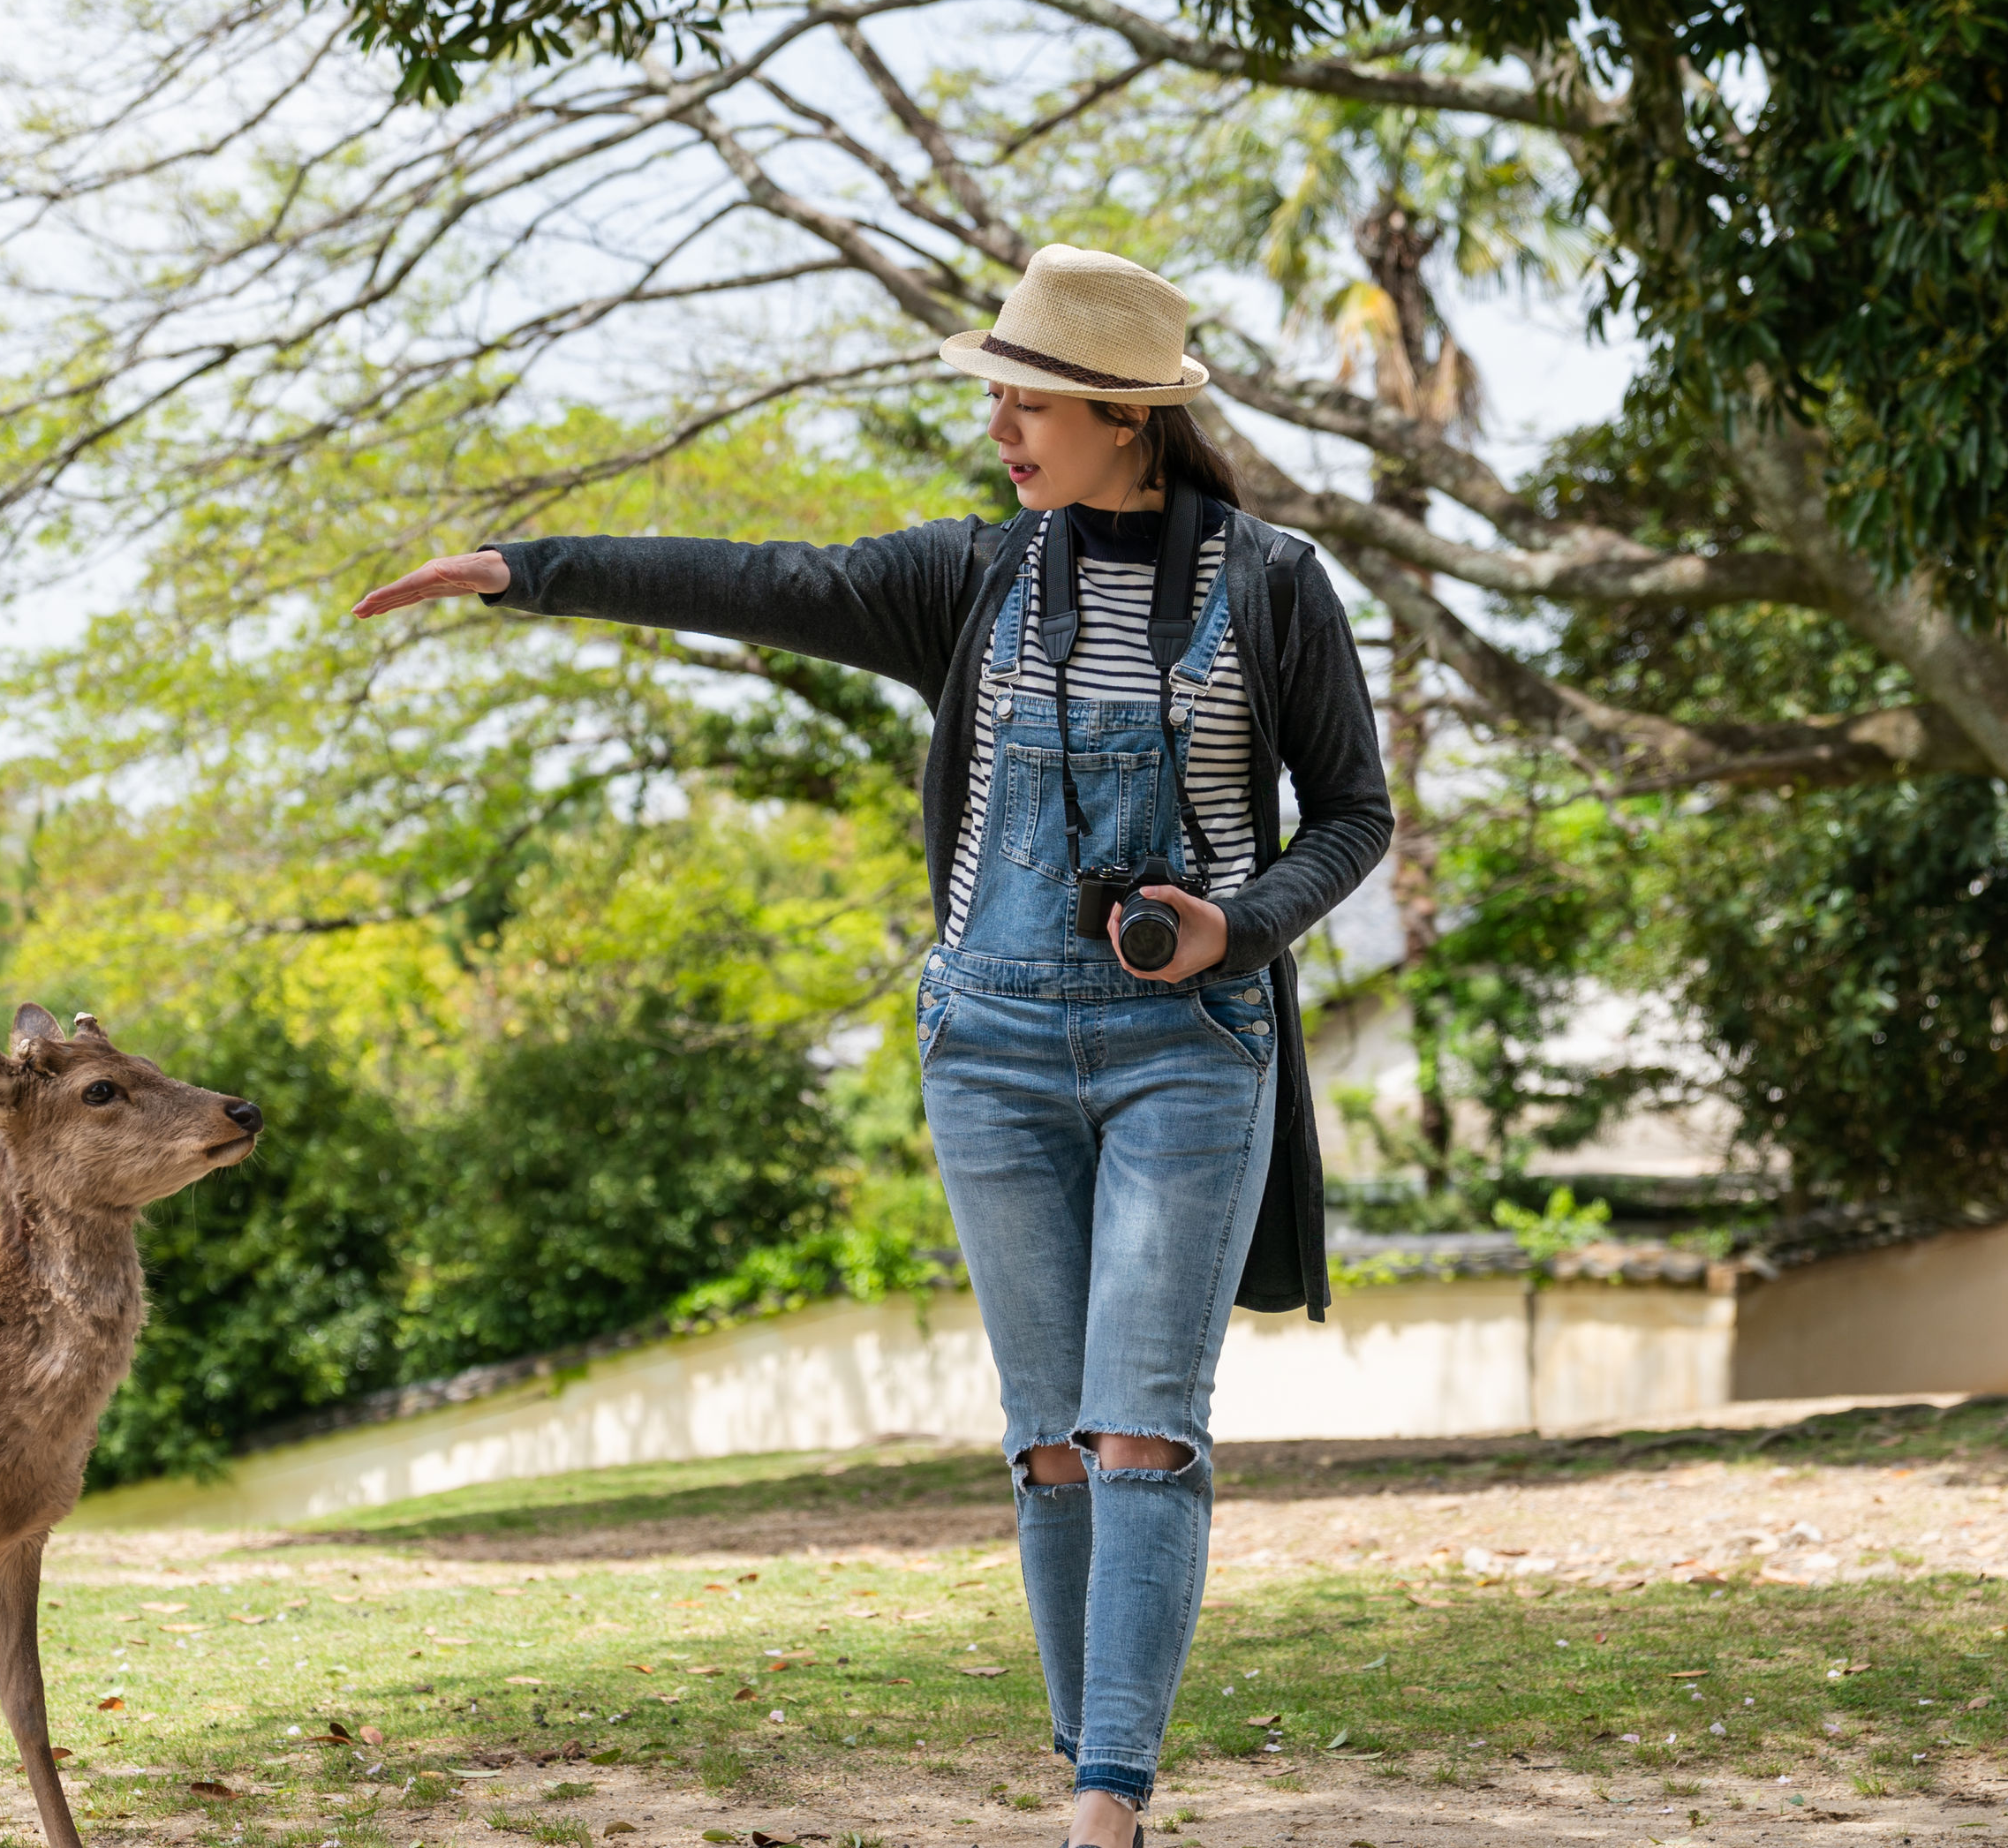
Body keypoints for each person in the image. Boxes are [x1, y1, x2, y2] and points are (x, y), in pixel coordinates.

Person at [354, 244, 1392, 1845]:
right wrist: (525, 569)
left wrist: (1236, 926)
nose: (1000, 424)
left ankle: (1106, 1810)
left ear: (1124, 415)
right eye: (998, 392)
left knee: (1142, 1429)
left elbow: (1355, 819)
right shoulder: (973, 577)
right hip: (988, 1045)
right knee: (1051, 1444)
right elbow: (759, 582)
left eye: (1028, 397)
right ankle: (1086, 1757)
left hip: (1188, 1044)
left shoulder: (1270, 585)